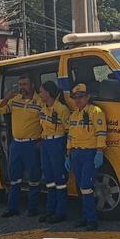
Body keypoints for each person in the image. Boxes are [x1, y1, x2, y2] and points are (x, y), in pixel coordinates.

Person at [0, 75, 42, 218]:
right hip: (16, 144)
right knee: (14, 178)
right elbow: (1, 109)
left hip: (31, 144)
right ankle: (12, 208)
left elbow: (46, 121)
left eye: (25, 84)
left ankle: (33, 208)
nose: (22, 87)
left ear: (32, 85)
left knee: (34, 178)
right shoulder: (15, 100)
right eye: (20, 84)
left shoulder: (40, 101)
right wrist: (6, 98)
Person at [66, 83, 107, 231]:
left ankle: (92, 220)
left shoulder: (95, 112)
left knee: (86, 187)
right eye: (75, 97)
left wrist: (99, 151)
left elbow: (101, 132)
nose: (77, 100)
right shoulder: (74, 114)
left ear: (88, 96)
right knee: (80, 187)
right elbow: (70, 136)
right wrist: (68, 154)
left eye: (81, 97)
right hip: (76, 153)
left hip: (89, 153)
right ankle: (84, 217)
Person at [38, 80, 70, 224]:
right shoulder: (43, 108)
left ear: (48, 92)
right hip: (46, 143)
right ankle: (50, 209)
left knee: (60, 179)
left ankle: (60, 211)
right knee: (49, 179)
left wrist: (67, 150)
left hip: (57, 142)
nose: (40, 94)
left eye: (41, 91)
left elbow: (68, 131)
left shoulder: (61, 109)